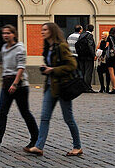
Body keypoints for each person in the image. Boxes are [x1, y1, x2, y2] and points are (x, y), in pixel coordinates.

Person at [26, 23, 82, 157]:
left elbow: (72, 64)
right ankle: (39, 146)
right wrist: (46, 68)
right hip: (51, 86)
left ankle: (77, 146)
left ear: (52, 31)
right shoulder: (48, 47)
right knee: (44, 117)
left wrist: (53, 69)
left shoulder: (61, 46)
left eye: (45, 30)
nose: (42, 32)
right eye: (42, 30)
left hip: (63, 87)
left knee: (68, 118)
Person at [0, 24, 38, 151]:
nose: (5, 35)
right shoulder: (3, 48)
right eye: (4, 33)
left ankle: (36, 138)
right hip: (6, 83)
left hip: (19, 84)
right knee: (2, 112)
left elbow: (21, 67)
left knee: (25, 112)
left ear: (14, 34)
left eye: (8, 33)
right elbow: (5, 66)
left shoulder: (20, 48)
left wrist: (15, 83)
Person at [104, 26, 115, 94]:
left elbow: (107, 46)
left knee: (111, 72)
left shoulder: (109, 37)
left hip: (111, 56)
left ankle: (113, 87)